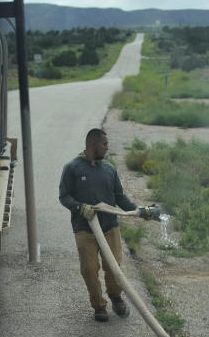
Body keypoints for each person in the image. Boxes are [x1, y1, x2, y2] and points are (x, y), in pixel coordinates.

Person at [59, 128, 153, 322]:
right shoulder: (72, 168)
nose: (107, 147)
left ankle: (116, 297)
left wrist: (139, 210)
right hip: (85, 229)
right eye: (104, 144)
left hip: (110, 227)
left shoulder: (109, 169)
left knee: (114, 266)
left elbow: (119, 197)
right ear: (92, 145)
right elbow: (64, 196)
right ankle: (99, 306)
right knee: (89, 269)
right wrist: (79, 207)